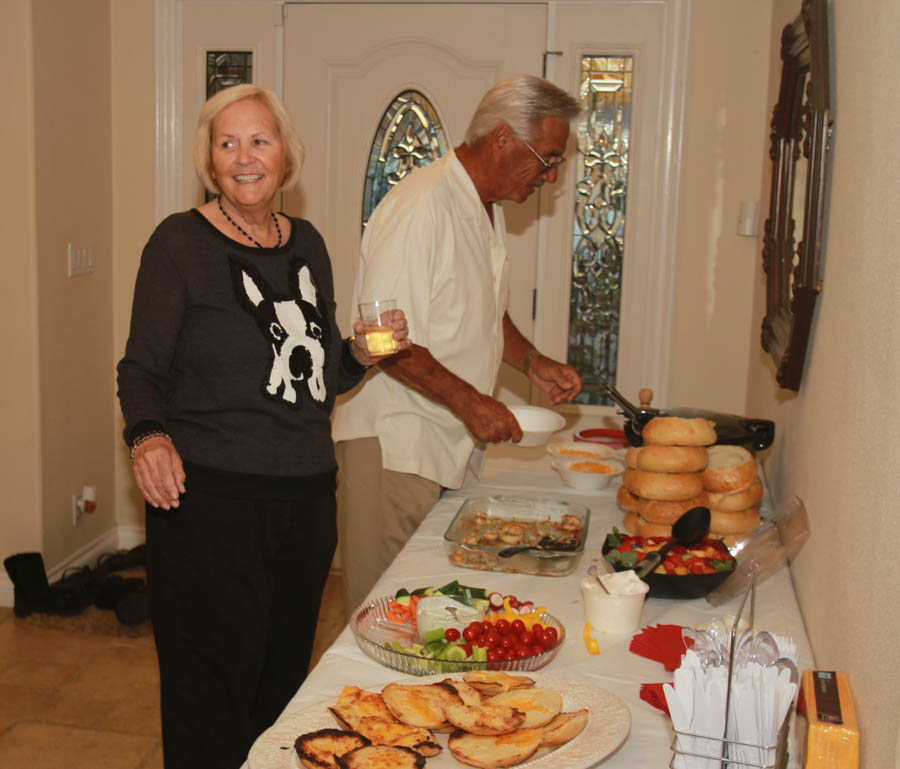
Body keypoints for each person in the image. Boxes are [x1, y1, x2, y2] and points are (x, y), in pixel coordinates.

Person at [116, 83, 409, 769]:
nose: (244, 157)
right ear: (209, 161)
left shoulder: (306, 244)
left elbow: (320, 379)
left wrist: (361, 352)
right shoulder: (178, 244)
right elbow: (140, 369)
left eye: (260, 140)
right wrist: (149, 434)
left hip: (304, 504)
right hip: (211, 506)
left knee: (281, 688)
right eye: (227, 143)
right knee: (209, 693)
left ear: (286, 156)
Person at [333, 74, 584, 615]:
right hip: (398, 446)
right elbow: (379, 338)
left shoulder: (481, 207)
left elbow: (483, 308)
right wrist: (471, 401)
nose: (552, 175)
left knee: (430, 614)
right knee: (385, 618)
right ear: (501, 138)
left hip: (442, 443)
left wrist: (531, 361)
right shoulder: (422, 205)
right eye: (547, 159)